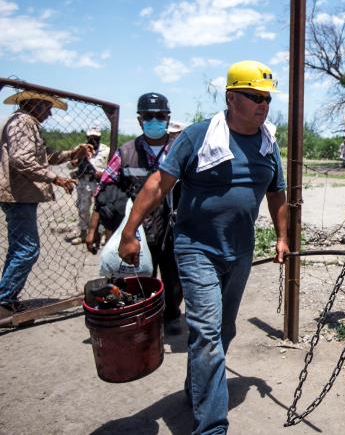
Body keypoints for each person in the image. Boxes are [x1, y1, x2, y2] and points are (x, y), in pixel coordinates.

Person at [117, 60, 288, 434]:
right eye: (254, 97)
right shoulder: (198, 137)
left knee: (224, 331)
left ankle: (197, 389)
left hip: (239, 252)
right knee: (207, 334)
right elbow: (157, 185)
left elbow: (277, 193)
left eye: (266, 98)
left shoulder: (267, 143)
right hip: (196, 249)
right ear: (231, 98)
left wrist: (281, 236)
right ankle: (211, 426)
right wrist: (130, 232)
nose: (263, 104)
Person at [86, 93, 183, 325]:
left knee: (174, 276)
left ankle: (171, 315)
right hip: (137, 227)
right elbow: (104, 191)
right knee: (139, 277)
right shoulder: (126, 153)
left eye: (160, 116)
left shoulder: (179, 151)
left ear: (168, 119)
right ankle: (144, 319)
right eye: (148, 116)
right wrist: (93, 229)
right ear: (140, 120)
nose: (154, 120)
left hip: (173, 227)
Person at [0, 91, 92, 319]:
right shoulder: (22, 123)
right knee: (27, 249)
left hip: (22, 195)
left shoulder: (27, 123)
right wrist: (55, 178)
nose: (50, 113)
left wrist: (73, 153)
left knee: (20, 248)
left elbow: (47, 156)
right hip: (18, 195)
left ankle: (6, 299)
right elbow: (21, 159)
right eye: (47, 107)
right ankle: (3, 302)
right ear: (34, 104)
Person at [66, 126, 110, 245]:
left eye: (96, 137)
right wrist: (77, 160)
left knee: (101, 209)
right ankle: (83, 233)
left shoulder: (106, 150)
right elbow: (69, 166)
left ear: (100, 137)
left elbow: (112, 167)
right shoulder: (80, 149)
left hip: (99, 183)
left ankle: (99, 234)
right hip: (84, 183)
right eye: (90, 137)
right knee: (83, 208)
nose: (93, 140)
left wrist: (102, 174)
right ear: (86, 137)